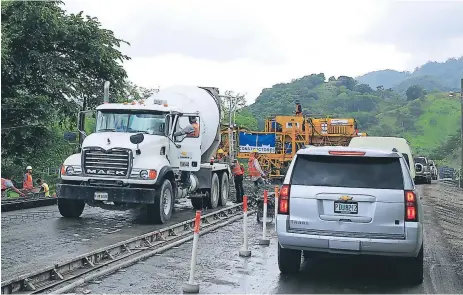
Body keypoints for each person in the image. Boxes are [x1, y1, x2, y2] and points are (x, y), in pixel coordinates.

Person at [174, 116, 200, 189]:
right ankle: (185, 181)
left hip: (188, 147)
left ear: (190, 120)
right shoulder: (197, 126)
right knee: (187, 166)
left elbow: (181, 132)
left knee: (185, 165)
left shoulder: (191, 127)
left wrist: (171, 134)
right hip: (193, 146)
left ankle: (186, 182)